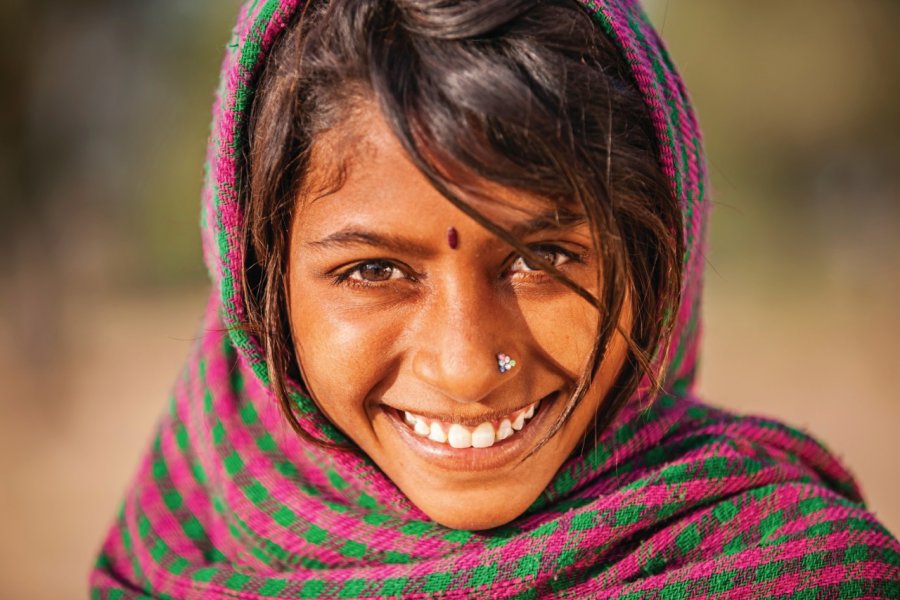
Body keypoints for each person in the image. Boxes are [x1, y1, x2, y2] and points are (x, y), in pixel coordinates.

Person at [90, 0, 900, 597]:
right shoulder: (185, 542)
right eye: (374, 272)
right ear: (258, 280)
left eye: (543, 257)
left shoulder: (794, 572)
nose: (470, 366)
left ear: (659, 264)